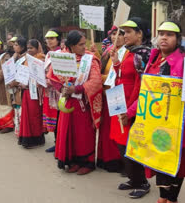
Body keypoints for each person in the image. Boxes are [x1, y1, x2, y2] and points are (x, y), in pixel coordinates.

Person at [127, 21, 185, 203]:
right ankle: (163, 199)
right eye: (161, 33)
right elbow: (146, 92)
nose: (164, 37)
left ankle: (171, 199)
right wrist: (130, 112)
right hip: (155, 123)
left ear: (178, 38)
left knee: (174, 168)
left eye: (169, 34)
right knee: (159, 163)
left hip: (176, 125)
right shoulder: (154, 58)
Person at [47, 30, 102, 175]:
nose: (85, 47)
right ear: (71, 46)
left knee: (84, 134)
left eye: (85, 44)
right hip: (68, 102)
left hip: (83, 103)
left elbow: (96, 81)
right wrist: (62, 88)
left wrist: (77, 88)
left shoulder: (90, 59)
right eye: (80, 45)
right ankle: (73, 160)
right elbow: (52, 77)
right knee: (69, 132)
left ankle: (87, 162)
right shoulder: (61, 57)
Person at [109, 17, 152, 199]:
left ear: (139, 33)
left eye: (128, 32)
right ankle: (133, 179)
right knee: (120, 143)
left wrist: (130, 110)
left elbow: (140, 84)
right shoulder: (127, 51)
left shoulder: (144, 54)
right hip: (119, 100)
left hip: (131, 105)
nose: (124, 35)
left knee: (132, 144)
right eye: (123, 31)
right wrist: (116, 62)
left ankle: (142, 181)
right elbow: (120, 75)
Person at [97, 25, 124, 173]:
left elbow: (119, 75)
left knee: (116, 128)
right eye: (113, 34)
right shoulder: (108, 51)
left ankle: (117, 161)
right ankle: (104, 158)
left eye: (119, 34)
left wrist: (100, 78)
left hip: (117, 93)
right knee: (106, 127)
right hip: (106, 93)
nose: (115, 37)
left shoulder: (125, 53)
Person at [18, 39, 46, 149]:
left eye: (31, 48)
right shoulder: (26, 59)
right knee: (26, 115)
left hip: (35, 92)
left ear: (37, 48)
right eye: (28, 48)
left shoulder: (41, 59)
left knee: (34, 116)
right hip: (26, 91)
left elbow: (41, 77)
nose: (29, 50)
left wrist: (29, 84)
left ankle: (36, 138)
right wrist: (21, 82)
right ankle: (26, 137)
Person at [42, 29, 62, 153]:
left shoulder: (61, 53)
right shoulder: (49, 54)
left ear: (58, 40)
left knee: (58, 117)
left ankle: (59, 143)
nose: (49, 41)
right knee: (53, 116)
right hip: (49, 90)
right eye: (47, 39)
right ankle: (56, 142)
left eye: (52, 38)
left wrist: (51, 80)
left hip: (57, 90)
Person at [8, 36, 28, 135]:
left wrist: (15, 82)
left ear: (22, 47)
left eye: (16, 45)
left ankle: (22, 132)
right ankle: (18, 131)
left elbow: (25, 74)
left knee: (21, 110)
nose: (14, 47)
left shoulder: (26, 58)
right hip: (15, 88)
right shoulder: (16, 56)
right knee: (16, 109)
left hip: (21, 88)